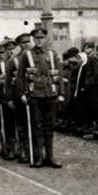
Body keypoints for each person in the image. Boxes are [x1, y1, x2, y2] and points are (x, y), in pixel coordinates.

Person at [16, 28, 64, 168]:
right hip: (35, 95)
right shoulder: (27, 55)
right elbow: (20, 77)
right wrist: (22, 94)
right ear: (33, 39)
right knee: (37, 126)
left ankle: (50, 157)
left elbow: (58, 75)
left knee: (50, 126)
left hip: (51, 95)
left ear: (45, 39)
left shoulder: (51, 54)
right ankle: (39, 157)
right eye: (36, 38)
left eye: (41, 38)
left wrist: (61, 93)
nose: (39, 40)